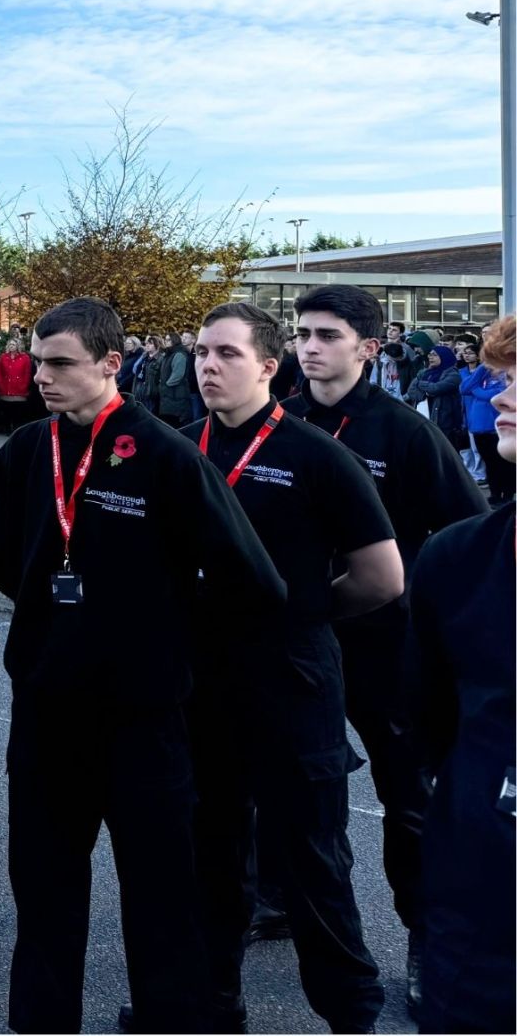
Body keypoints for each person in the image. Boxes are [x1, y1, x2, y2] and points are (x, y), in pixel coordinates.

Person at [0, 297, 284, 1032]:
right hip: (49, 713)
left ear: (110, 364)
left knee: (160, 896)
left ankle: (171, 1018)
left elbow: (254, 582)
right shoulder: (26, 450)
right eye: (38, 359)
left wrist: (162, 633)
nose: (41, 376)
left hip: (144, 719)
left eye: (60, 363)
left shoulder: (169, 454)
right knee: (45, 890)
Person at [181, 302, 401, 1033]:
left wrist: (303, 613)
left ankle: (351, 1013)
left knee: (313, 861)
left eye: (227, 354)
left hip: (293, 679)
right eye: (201, 352)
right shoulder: (179, 450)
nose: (207, 366)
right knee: (210, 850)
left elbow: (382, 576)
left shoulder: (316, 456)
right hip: (203, 684)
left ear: (269, 368)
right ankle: (212, 1003)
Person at [280, 289, 489, 1011]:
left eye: (328, 335)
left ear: (368, 348)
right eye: (302, 333)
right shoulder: (280, 420)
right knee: (281, 779)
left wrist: (431, 618)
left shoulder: (403, 433)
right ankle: (278, 899)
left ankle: (426, 932)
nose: (309, 347)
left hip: (385, 647)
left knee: (409, 800)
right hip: (296, 643)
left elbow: (471, 534)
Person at [410, 314, 515, 1035]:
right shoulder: (459, 556)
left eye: (516, 381)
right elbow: (432, 716)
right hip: (477, 906)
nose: (501, 396)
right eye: (504, 377)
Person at [460, 342, 512, 503]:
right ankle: (495, 494)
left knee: (504, 463)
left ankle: (507, 495)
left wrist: (476, 390)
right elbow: (463, 388)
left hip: (495, 426)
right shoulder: (483, 372)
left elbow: (494, 394)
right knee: (489, 463)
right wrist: (481, 370)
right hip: (478, 426)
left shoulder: (507, 373)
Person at [406, 344, 466, 451]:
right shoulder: (424, 372)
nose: (430, 357)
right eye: (429, 355)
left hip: (443, 421)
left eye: (434, 355)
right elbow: (411, 391)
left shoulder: (453, 374)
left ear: (444, 356)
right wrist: (426, 392)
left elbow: (436, 388)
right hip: (423, 416)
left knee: (443, 451)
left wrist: (421, 384)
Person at [0, 334, 34, 430]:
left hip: (19, 388)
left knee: (18, 411)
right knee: (7, 410)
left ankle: (17, 428)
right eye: (10, 344)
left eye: (13, 344)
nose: (11, 346)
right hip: (5, 387)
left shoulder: (25, 358)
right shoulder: (3, 357)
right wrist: (0, 384)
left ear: (18, 346)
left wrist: (24, 385)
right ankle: (8, 428)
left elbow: (27, 373)